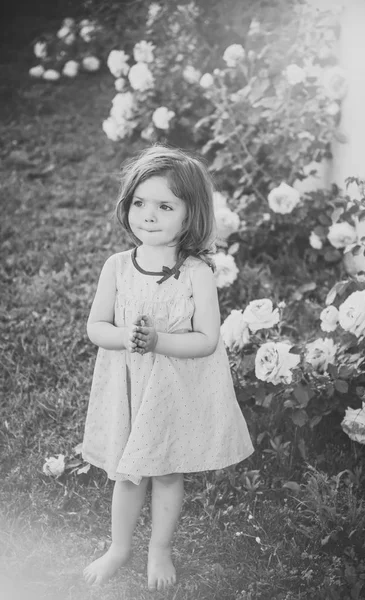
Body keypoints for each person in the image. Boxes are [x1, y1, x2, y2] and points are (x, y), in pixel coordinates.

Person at [81, 145, 254, 591]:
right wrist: (126, 337)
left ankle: (159, 547)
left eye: (164, 205)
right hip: (129, 385)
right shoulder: (117, 267)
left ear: (190, 214)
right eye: (139, 202)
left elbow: (207, 339)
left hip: (170, 388)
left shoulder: (196, 272)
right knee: (126, 470)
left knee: (165, 470)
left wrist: (159, 341)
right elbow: (96, 327)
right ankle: (119, 546)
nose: (148, 215)